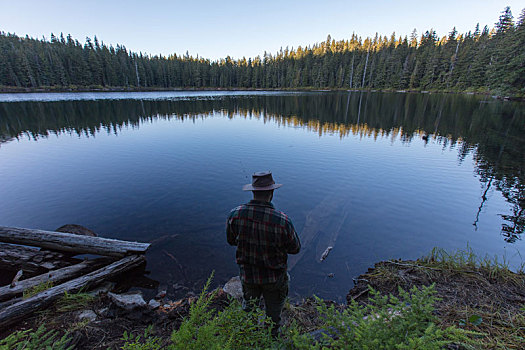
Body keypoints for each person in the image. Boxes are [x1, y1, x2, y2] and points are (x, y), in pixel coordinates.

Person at [226, 171, 301, 336]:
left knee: (249, 310)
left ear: (253, 191)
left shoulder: (235, 215)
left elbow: (231, 241)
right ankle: (270, 339)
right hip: (274, 279)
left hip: (248, 276)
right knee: (273, 316)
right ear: (272, 193)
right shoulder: (283, 221)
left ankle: (249, 337)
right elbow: (295, 249)